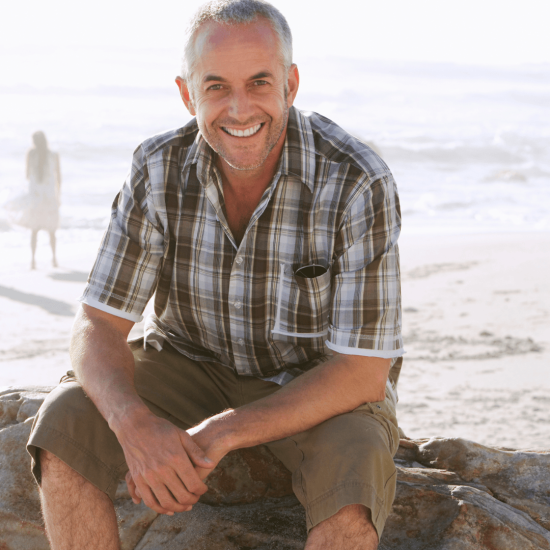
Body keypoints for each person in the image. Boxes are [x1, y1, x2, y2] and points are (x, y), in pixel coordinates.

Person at [27, 1, 404, 548]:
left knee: (354, 479)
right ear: (187, 94)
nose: (240, 107)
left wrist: (222, 432)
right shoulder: (158, 168)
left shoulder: (356, 180)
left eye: (259, 82)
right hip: (188, 365)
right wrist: (136, 426)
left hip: (315, 386)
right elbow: (97, 324)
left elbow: (363, 371)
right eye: (217, 87)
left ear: (291, 84)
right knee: (65, 421)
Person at [18, 131, 61, 269]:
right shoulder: (54, 155)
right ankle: (54, 259)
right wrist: (58, 195)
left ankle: (33, 261)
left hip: (35, 197)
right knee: (51, 231)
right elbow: (59, 177)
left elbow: (26, 175)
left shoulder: (31, 154)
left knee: (34, 230)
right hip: (49, 197)